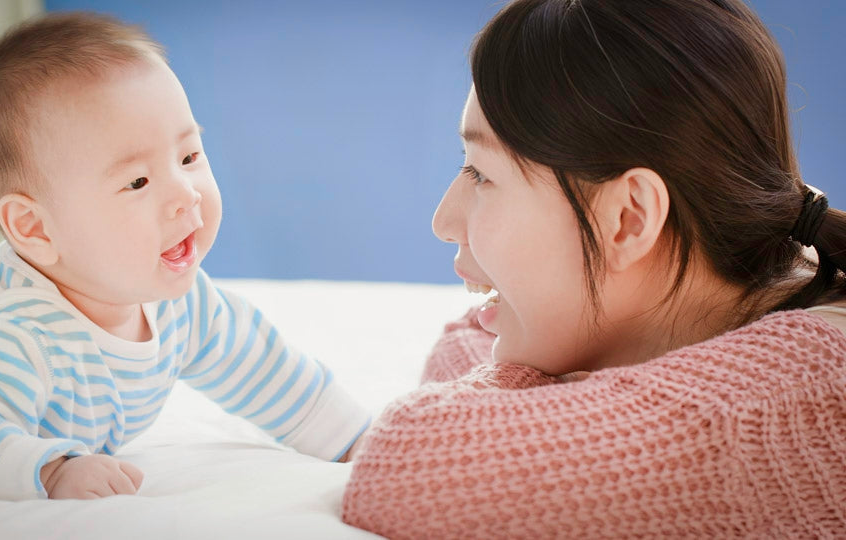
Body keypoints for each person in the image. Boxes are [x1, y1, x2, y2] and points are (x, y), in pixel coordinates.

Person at [342, 0, 846, 537]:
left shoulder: (770, 408)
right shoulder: (768, 280)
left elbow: (409, 463)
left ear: (629, 219)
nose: (444, 220)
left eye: (482, 174)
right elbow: (460, 341)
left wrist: (546, 381)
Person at [0, 12, 370, 501]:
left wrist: (359, 440)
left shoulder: (183, 302)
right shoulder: (19, 332)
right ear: (34, 229)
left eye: (189, 154)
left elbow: (267, 370)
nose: (185, 192)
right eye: (137, 181)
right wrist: (52, 469)